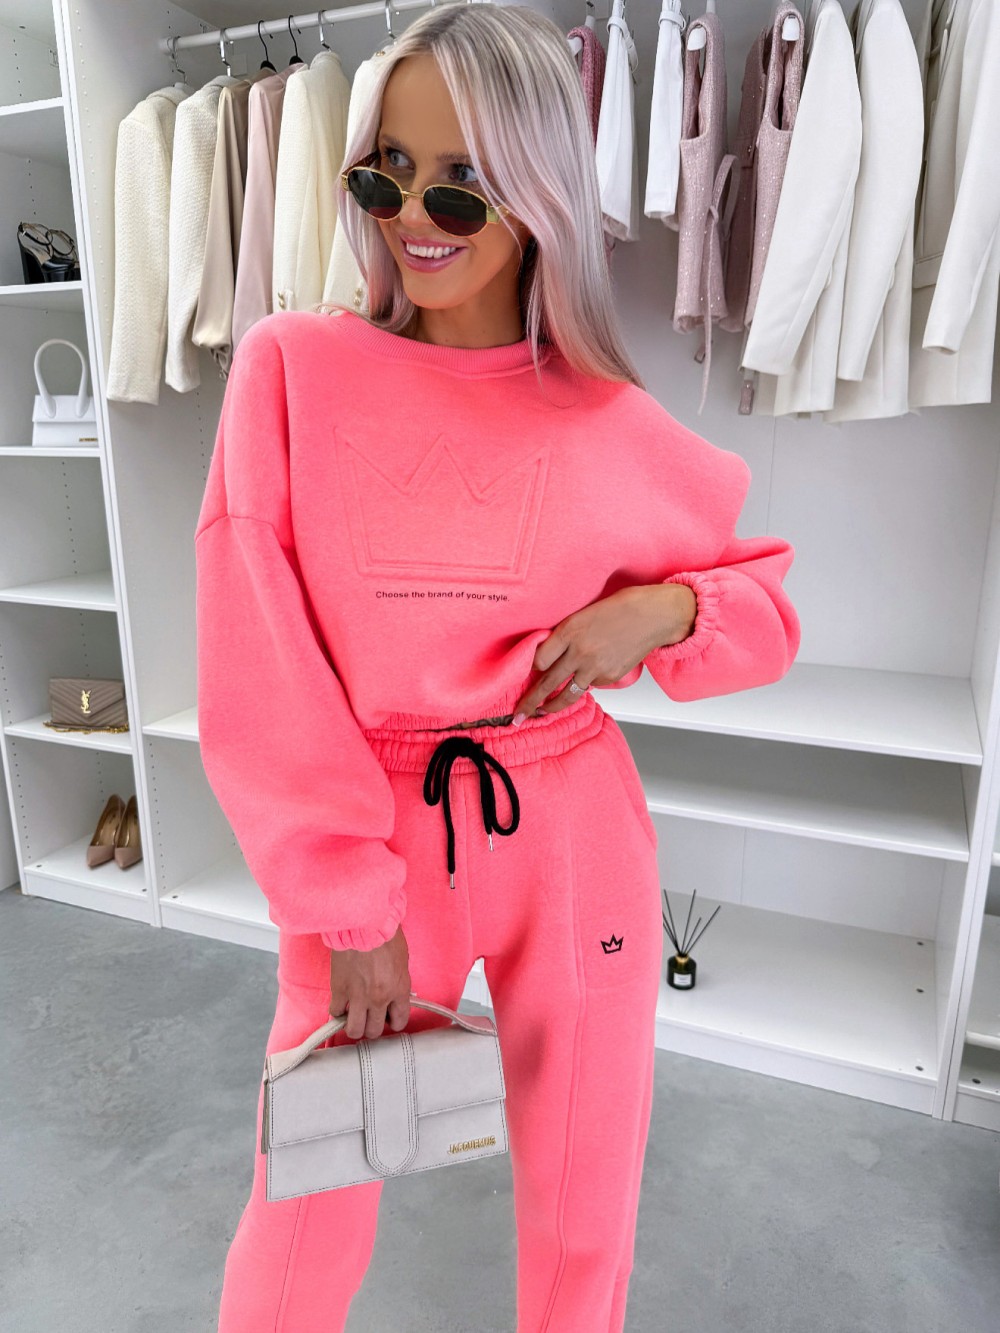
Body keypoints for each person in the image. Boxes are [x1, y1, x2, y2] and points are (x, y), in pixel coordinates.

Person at [194, 5, 802, 1330]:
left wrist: (664, 611)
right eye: (389, 174)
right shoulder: (293, 371)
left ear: (538, 196)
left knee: (585, 1204)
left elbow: (766, 606)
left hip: (570, 823)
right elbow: (255, 651)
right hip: (376, 829)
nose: (417, 215)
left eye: (462, 182)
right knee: (306, 1205)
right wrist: (353, 910)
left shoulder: (607, 416)